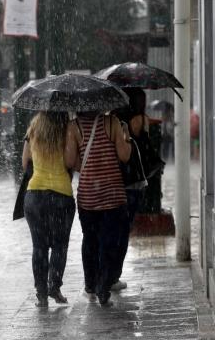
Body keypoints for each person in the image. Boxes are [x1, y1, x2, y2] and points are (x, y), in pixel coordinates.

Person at [65, 111, 131, 306]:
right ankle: (104, 286)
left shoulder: (74, 127)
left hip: (88, 197)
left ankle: (91, 284)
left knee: (90, 240)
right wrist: (126, 136)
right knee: (110, 242)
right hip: (112, 194)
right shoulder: (112, 122)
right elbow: (124, 155)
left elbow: (69, 161)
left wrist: (87, 166)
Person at [21, 111, 78, 307]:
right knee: (59, 246)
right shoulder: (67, 128)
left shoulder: (34, 127)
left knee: (39, 246)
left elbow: (24, 161)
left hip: (34, 195)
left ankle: (41, 294)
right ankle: (54, 287)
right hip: (60, 195)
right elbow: (70, 161)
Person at [111, 89, 151, 292]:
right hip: (132, 181)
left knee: (111, 230)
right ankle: (114, 274)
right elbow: (143, 147)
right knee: (124, 231)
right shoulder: (139, 120)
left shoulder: (113, 120)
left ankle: (105, 272)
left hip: (114, 180)